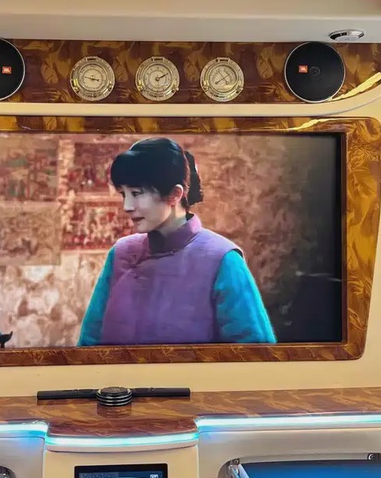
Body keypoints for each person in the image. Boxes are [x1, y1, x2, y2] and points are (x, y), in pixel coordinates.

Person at [77, 137, 276, 346]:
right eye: (123, 194)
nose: (127, 206)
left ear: (174, 194)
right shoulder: (121, 253)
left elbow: (256, 354)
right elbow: (89, 343)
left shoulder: (222, 260)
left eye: (136, 193)